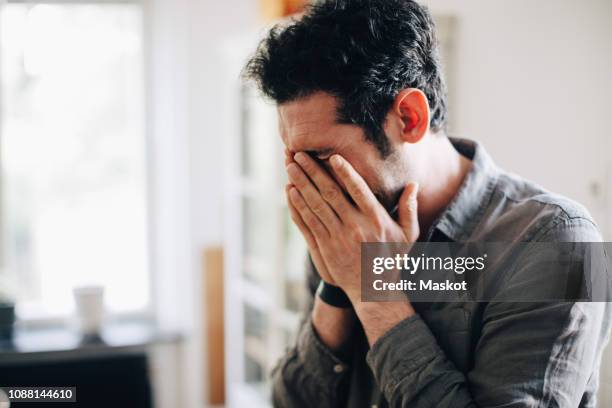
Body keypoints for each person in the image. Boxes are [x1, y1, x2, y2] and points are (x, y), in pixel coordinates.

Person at [243, 0, 611, 406]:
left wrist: (374, 293)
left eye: (320, 156)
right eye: (292, 157)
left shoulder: (557, 243)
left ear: (410, 118)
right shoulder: (345, 230)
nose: (304, 180)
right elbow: (290, 401)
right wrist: (339, 284)